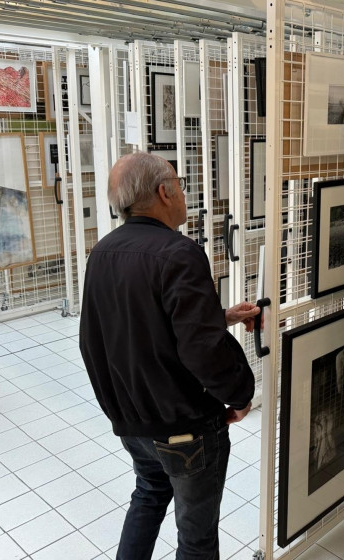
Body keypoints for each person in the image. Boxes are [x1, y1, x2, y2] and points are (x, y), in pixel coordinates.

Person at [79, 152, 260, 560]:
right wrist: (240, 394)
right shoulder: (180, 253)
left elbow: (104, 337)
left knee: (148, 495)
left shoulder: (102, 253)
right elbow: (202, 350)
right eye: (179, 184)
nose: (183, 193)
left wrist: (223, 316)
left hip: (133, 424)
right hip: (185, 428)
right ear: (165, 191)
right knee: (196, 537)